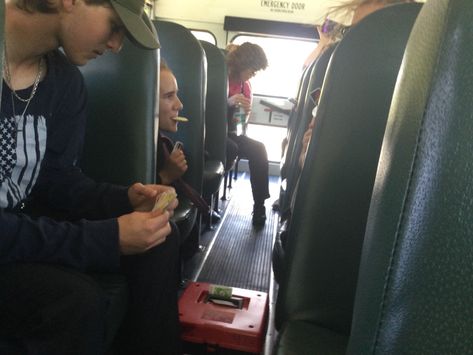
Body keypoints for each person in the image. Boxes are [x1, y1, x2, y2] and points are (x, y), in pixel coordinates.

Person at [0, 0, 182, 354]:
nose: (115, 45)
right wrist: (104, 239)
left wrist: (125, 198)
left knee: (161, 239)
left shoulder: (65, 83)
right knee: (74, 303)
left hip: (20, 231)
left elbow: (55, 180)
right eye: (114, 25)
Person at [155, 61, 209, 219]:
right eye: (168, 96)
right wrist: (165, 176)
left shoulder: (161, 143)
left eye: (176, 94)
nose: (179, 104)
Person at [225, 42, 269, 227]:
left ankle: (259, 204)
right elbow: (204, 107)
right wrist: (227, 102)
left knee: (259, 149)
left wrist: (243, 113)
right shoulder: (219, 76)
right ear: (242, 64)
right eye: (253, 69)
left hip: (230, 131)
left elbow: (239, 123)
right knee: (231, 148)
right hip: (208, 131)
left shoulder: (246, 87)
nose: (254, 74)